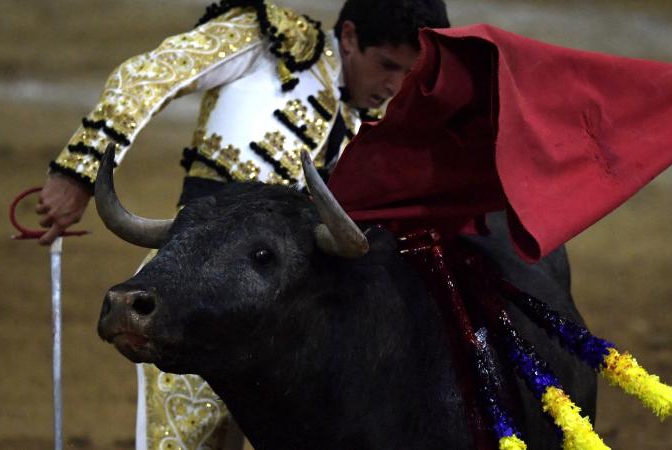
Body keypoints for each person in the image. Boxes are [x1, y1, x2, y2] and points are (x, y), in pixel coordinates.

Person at [35, 1, 450, 448]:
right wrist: (77, 169)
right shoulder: (269, 42)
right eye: (387, 65)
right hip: (194, 287)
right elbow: (146, 78)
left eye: (408, 74)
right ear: (349, 37)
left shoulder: (378, 130)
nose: (394, 86)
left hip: (287, 325)